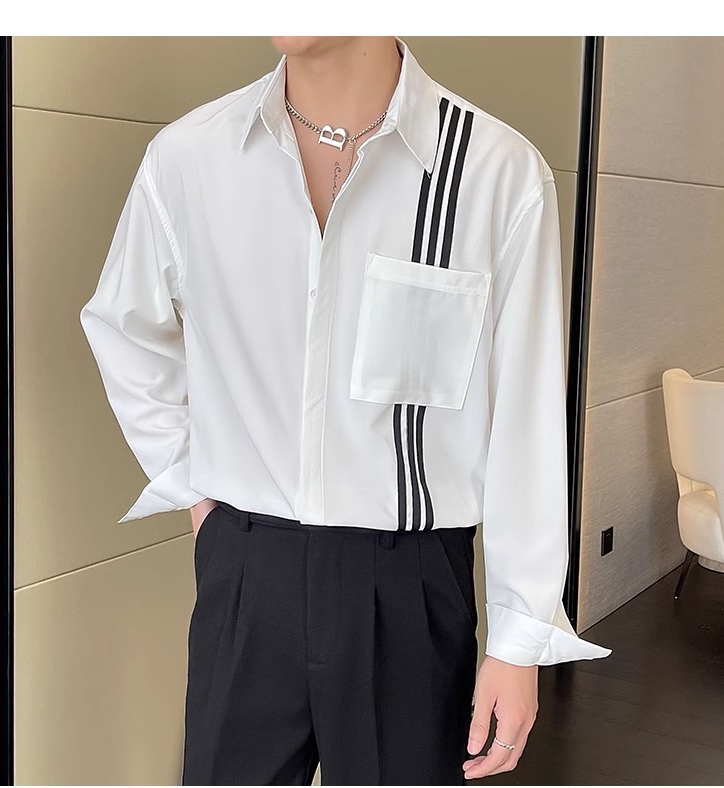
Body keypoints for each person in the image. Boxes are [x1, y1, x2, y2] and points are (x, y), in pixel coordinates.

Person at [79, 35, 612, 786]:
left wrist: (519, 636)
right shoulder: (189, 159)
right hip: (247, 569)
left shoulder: (496, 172)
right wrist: (191, 483)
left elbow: (525, 414)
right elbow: (124, 325)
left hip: (410, 584)